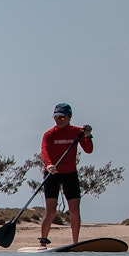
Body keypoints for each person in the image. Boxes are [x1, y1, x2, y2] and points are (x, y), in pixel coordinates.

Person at [38, 102, 93, 246]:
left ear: (69, 117)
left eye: (62, 118)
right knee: (51, 210)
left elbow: (88, 150)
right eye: (56, 117)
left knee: (74, 209)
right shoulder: (49, 134)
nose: (58, 120)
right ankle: (43, 243)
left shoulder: (76, 132)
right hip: (52, 174)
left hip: (70, 174)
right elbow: (44, 151)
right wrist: (49, 164)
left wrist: (87, 135)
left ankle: (75, 242)